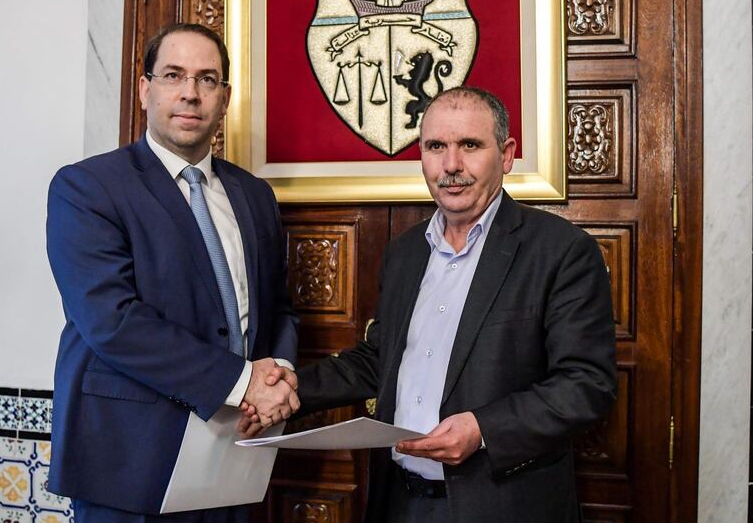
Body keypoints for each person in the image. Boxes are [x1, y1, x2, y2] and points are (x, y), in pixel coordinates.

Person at [242, 86, 617, 522]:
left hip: (501, 505)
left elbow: (587, 383)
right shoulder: (404, 253)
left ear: (507, 154)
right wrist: (287, 392)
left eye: (470, 146)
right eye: (436, 146)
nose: (451, 165)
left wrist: (482, 430)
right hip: (399, 501)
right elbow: (378, 360)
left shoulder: (561, 250)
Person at [46, 23, 299, 523]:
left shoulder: (254, 196)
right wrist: (243, 381)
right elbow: (112, 322)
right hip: (128, 461)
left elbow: (278, 309)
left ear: (224, 98)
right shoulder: (87, 188)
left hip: (234, 451)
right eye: (173, 75)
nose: (190, 93)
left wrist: (280, 378)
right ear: (145, 89)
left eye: (207, 79)